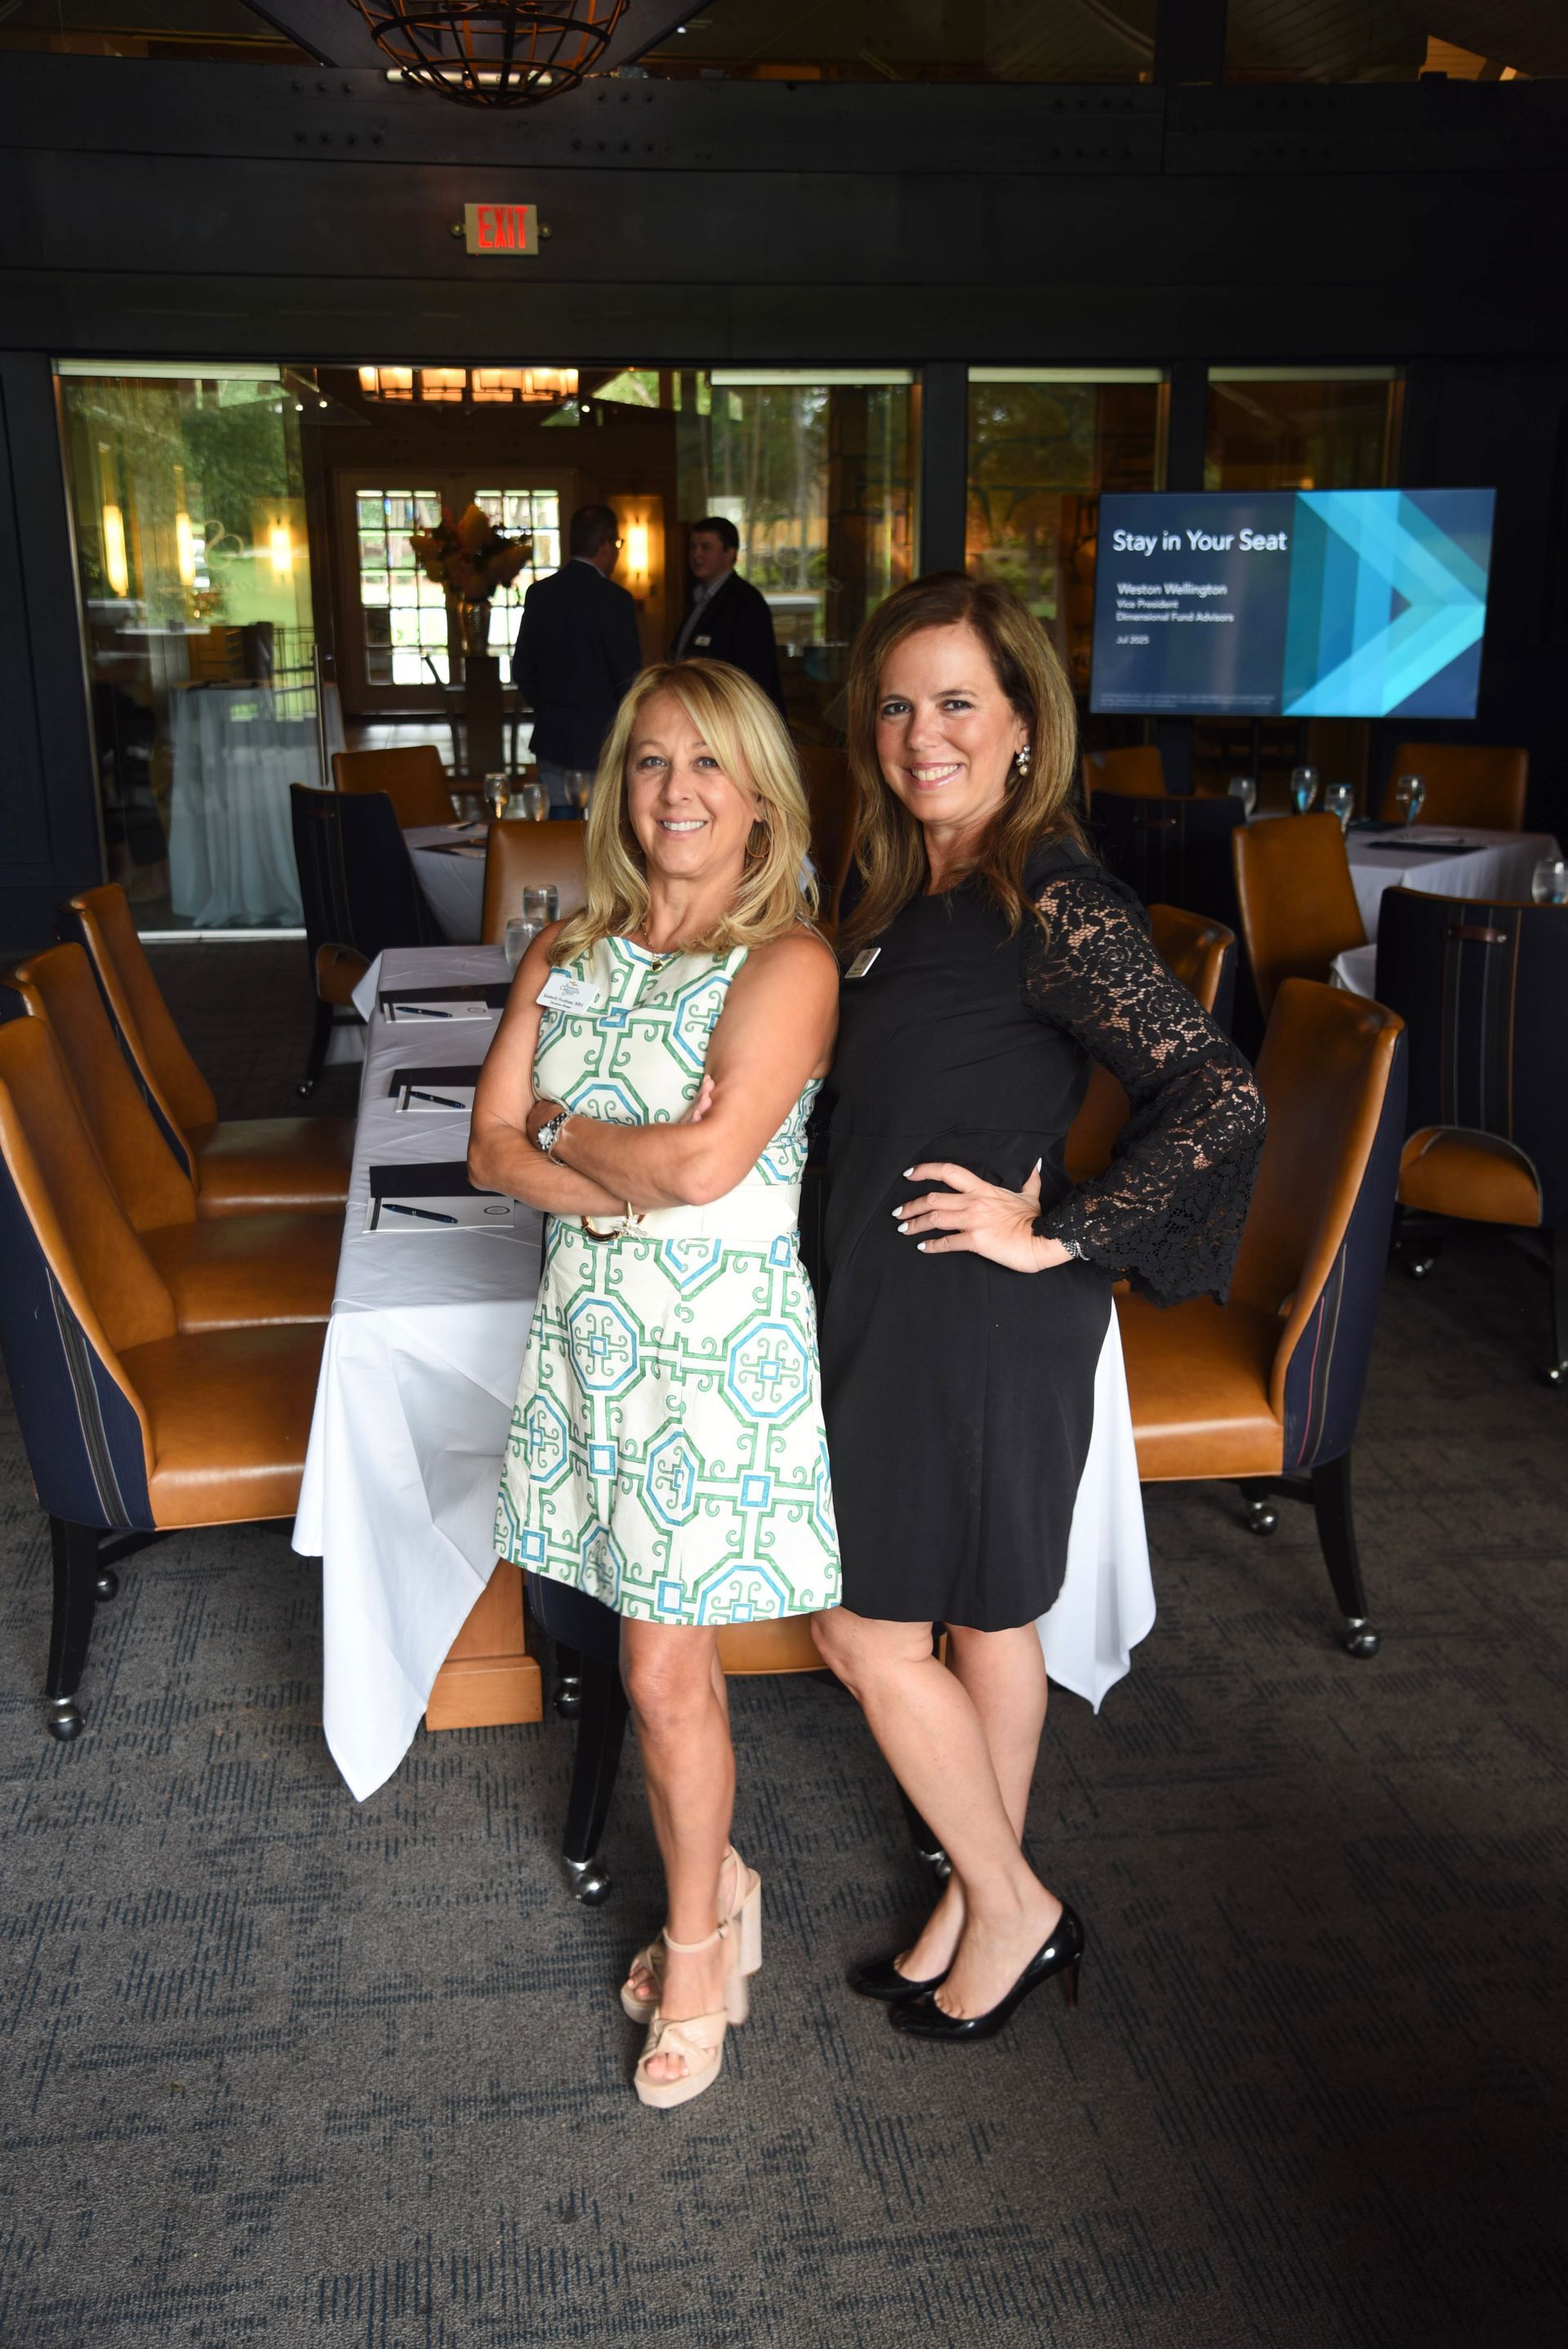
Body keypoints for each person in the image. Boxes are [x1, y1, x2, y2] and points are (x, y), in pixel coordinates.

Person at [809, 574, 1266, 2045]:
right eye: (897, 703)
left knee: (861, 1628)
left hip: (980, 1318)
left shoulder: (1053, 894)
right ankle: (975, 1892)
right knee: (987, 1617)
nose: (920, 733)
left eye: (957, 703)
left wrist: (1063, 1233)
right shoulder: (900, 885)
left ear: (1023, 727)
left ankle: (1014, 1903)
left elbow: (1221, 1091)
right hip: (896, 1301)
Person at [470, 657, 840, 2111]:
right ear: (618, 785)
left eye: (708, 765)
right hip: (585, 1345)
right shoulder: (567, 949)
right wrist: (604, 1150)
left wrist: (575, 1134)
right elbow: (490, 1151)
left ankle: (699, 1944)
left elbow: (707, 1166)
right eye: (650, 762)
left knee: (655, 1665)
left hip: (710, 1362)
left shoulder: (789, 963)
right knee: (635, 1645)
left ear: (762, 796)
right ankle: (722, 1875)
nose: (676, 791)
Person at [512, 504, 642, 812]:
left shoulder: (539, 594)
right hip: (603, 739)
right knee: (601, 833)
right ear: (606, 546)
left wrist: (550, 708)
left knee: (560, 831)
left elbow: (522, 668)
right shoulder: (615, 600)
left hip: (552, 734)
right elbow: (629, 678)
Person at [669, 516, 785, 714]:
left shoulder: (746, 603)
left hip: (732, 717)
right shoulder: (698, 597)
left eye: (705, 547)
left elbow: (753, 676)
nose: (696, 555)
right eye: (693, 547)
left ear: (730, 553)